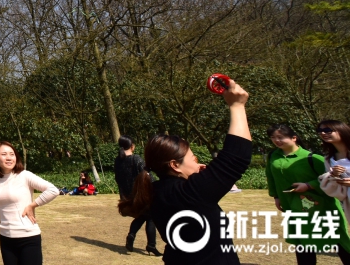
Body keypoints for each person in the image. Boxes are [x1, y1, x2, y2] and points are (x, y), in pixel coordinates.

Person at [118, 78, 251, 264]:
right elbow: (237, 157)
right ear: (174, 165)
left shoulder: (155, 190)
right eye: (194, 159)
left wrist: (199, 176)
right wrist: (237, 106)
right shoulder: (190, 193)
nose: (198, 164)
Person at [265, 123, 350, 264]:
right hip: (293, 205)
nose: (276, 140)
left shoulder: (312, 158)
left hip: (321, 207)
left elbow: (327, 179)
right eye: (273, 137)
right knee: (301, 240)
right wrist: (276, 196)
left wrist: (309, 185)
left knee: (337, 238)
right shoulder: (273, 155)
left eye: (280, 137)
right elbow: (271, 176)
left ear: (294, 138)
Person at [0, 142, 60, 265]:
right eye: (4, 154)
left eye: (12, 154)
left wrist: (32, 205)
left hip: (28, 237)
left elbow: (53, 190)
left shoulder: (24, 175)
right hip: (6, 238)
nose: (9, 157)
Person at [114, 136, 160, 255]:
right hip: (141, 193)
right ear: (132, 146)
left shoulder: (117, 161)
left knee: (142, 216)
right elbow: (146, 175)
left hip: (129, 195)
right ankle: (151, 245)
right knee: (150, 217)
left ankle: (131, 235)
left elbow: (117, 179)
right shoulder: (136, 158)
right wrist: (156, 186)